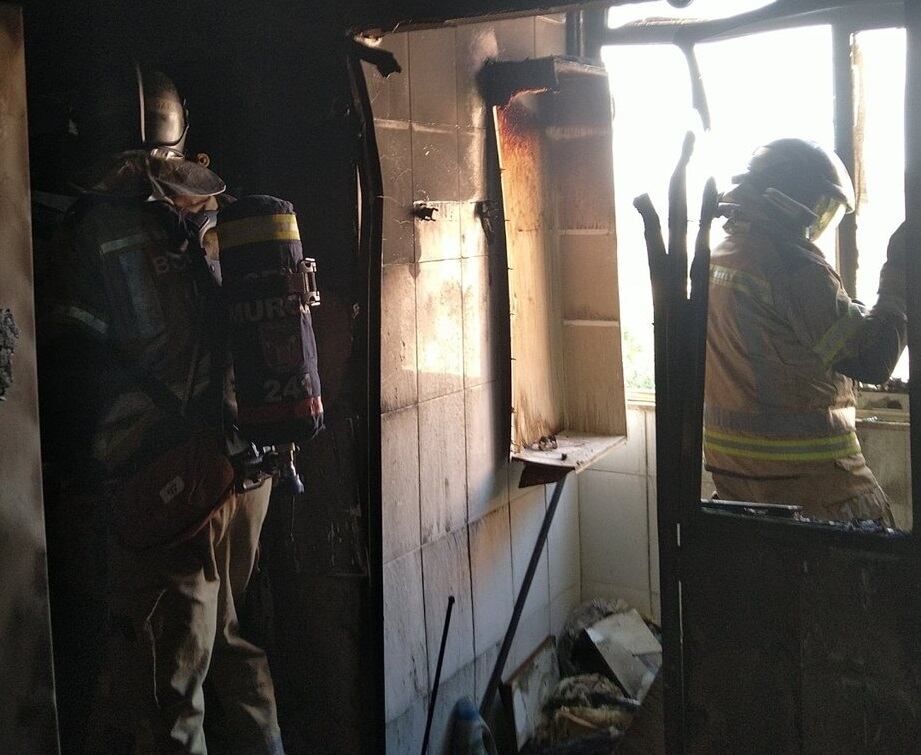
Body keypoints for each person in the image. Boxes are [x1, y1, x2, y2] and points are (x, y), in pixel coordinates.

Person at [39, 67, 285, 752]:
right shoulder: (216, 211)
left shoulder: (90, 229)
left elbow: (64, 369)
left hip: (166, 485)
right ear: (179, 135)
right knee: (233, 648)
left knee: (167, 693)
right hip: (246, 472)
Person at [703, 138, 907, 524]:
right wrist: (896, 284)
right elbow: (873, 359)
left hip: (739, 485)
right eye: (820, 207)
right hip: (814, 487)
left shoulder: (723, 255)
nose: (819, 221)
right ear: (789, 201)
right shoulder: (791, 265)